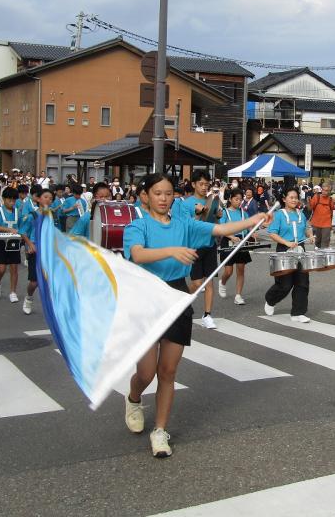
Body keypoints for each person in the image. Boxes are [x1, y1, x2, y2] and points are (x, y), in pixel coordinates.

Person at [123, 173, 268, 457]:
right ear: (145, 196)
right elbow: (138, 255)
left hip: (177, 294)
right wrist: (171, 251)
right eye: (157, 193)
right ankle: (134, 398)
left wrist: (252, 220)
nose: (164, 198)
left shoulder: (184, 224)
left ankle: (160, 431)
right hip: (146, 296)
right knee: (146, 372)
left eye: (168, 193)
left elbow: (219, 228)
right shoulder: (137, 225)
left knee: (168, 371)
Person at [171, 169, 222, 329]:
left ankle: (207, 315)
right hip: (194, 247)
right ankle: (181, 301)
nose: (204, 187)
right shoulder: (185, 204)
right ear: (193, 184)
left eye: (207, 184)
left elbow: (215, 225)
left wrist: (218, 216)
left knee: (209, 282)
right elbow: (186, 226)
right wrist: (198, 213)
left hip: (210, 245)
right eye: (201, 184)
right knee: (197, 283)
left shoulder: (212, 201)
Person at [264, 187, 314, 323]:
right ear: (284, 199)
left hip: (300, 249)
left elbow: (307, 228)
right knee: (285, 284)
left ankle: (298, 312)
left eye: (296, 197)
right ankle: (270, 300)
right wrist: (286, 242)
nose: (294, 200)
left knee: (302, 282)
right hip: (284, 249)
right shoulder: (278, 214)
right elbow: (272, 233)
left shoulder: (301, 214)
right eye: (291, 197)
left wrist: (310, 235)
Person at [20, 185, 54, 315]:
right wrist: (30, 245)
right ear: (38, 199)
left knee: (48, 280)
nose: (48, 200)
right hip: (35, 250)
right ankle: (29, 298)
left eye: (51, 198)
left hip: (48, 250)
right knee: (34, 282)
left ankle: (51, 306)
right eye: (45, 197)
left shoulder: (51, 215)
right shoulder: (32, 215)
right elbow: (23, 232)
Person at [217, 188, 252, 305]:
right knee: (228, 271)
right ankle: (222, 282)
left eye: (240, 200)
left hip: (241, 241)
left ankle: (238, 296)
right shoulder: (224, 212)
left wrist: (253, 232)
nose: (239, 202)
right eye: (236, 199)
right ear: (230, 199)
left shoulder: (243, 213)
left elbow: (248, 226)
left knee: (241, 269)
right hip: (228, 241)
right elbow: (221, 229)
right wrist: (231, 237)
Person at [0, 187, 21, 302]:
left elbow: (21, 225)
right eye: (9, 199)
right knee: (1, 269)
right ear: (3, 199)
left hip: (14, 242)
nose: (12, 202)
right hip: (1, 241)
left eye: (14, 200)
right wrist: (10, 230)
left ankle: (13, 292)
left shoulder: (17, 211)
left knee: (14, 268)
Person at [309, 183, 335, 249]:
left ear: (329, 191)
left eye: (326, 190)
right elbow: (310, 208)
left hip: (326, 225)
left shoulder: (331, 200)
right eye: (323, 190)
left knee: (325, 244)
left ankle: (324, 255)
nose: (324, 192)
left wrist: (330, 224)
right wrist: (308, 202)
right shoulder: (316, 197)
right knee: (317, 243)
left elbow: (331, 213)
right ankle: (317, 254)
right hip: (316, 224)